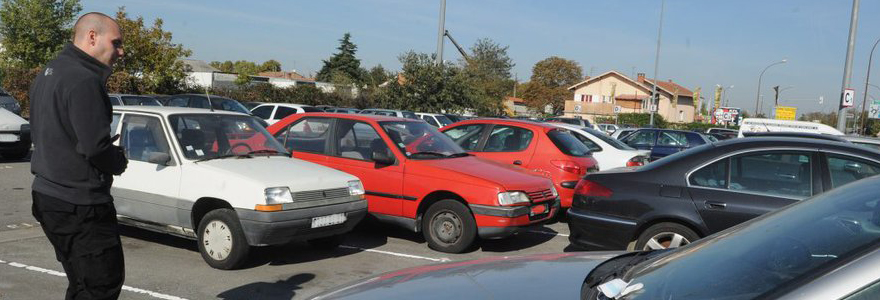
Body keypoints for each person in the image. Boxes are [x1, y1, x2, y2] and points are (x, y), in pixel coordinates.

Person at [29, 12, 128, 300]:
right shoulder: (83, 79)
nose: (120, 52)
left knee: (82, 284)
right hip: (79, 205)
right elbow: (94, 147)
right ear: (92, 37)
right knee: (101, 286)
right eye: (116, 43)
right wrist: (118, 160)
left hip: (51, 198)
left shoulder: (51, 71)